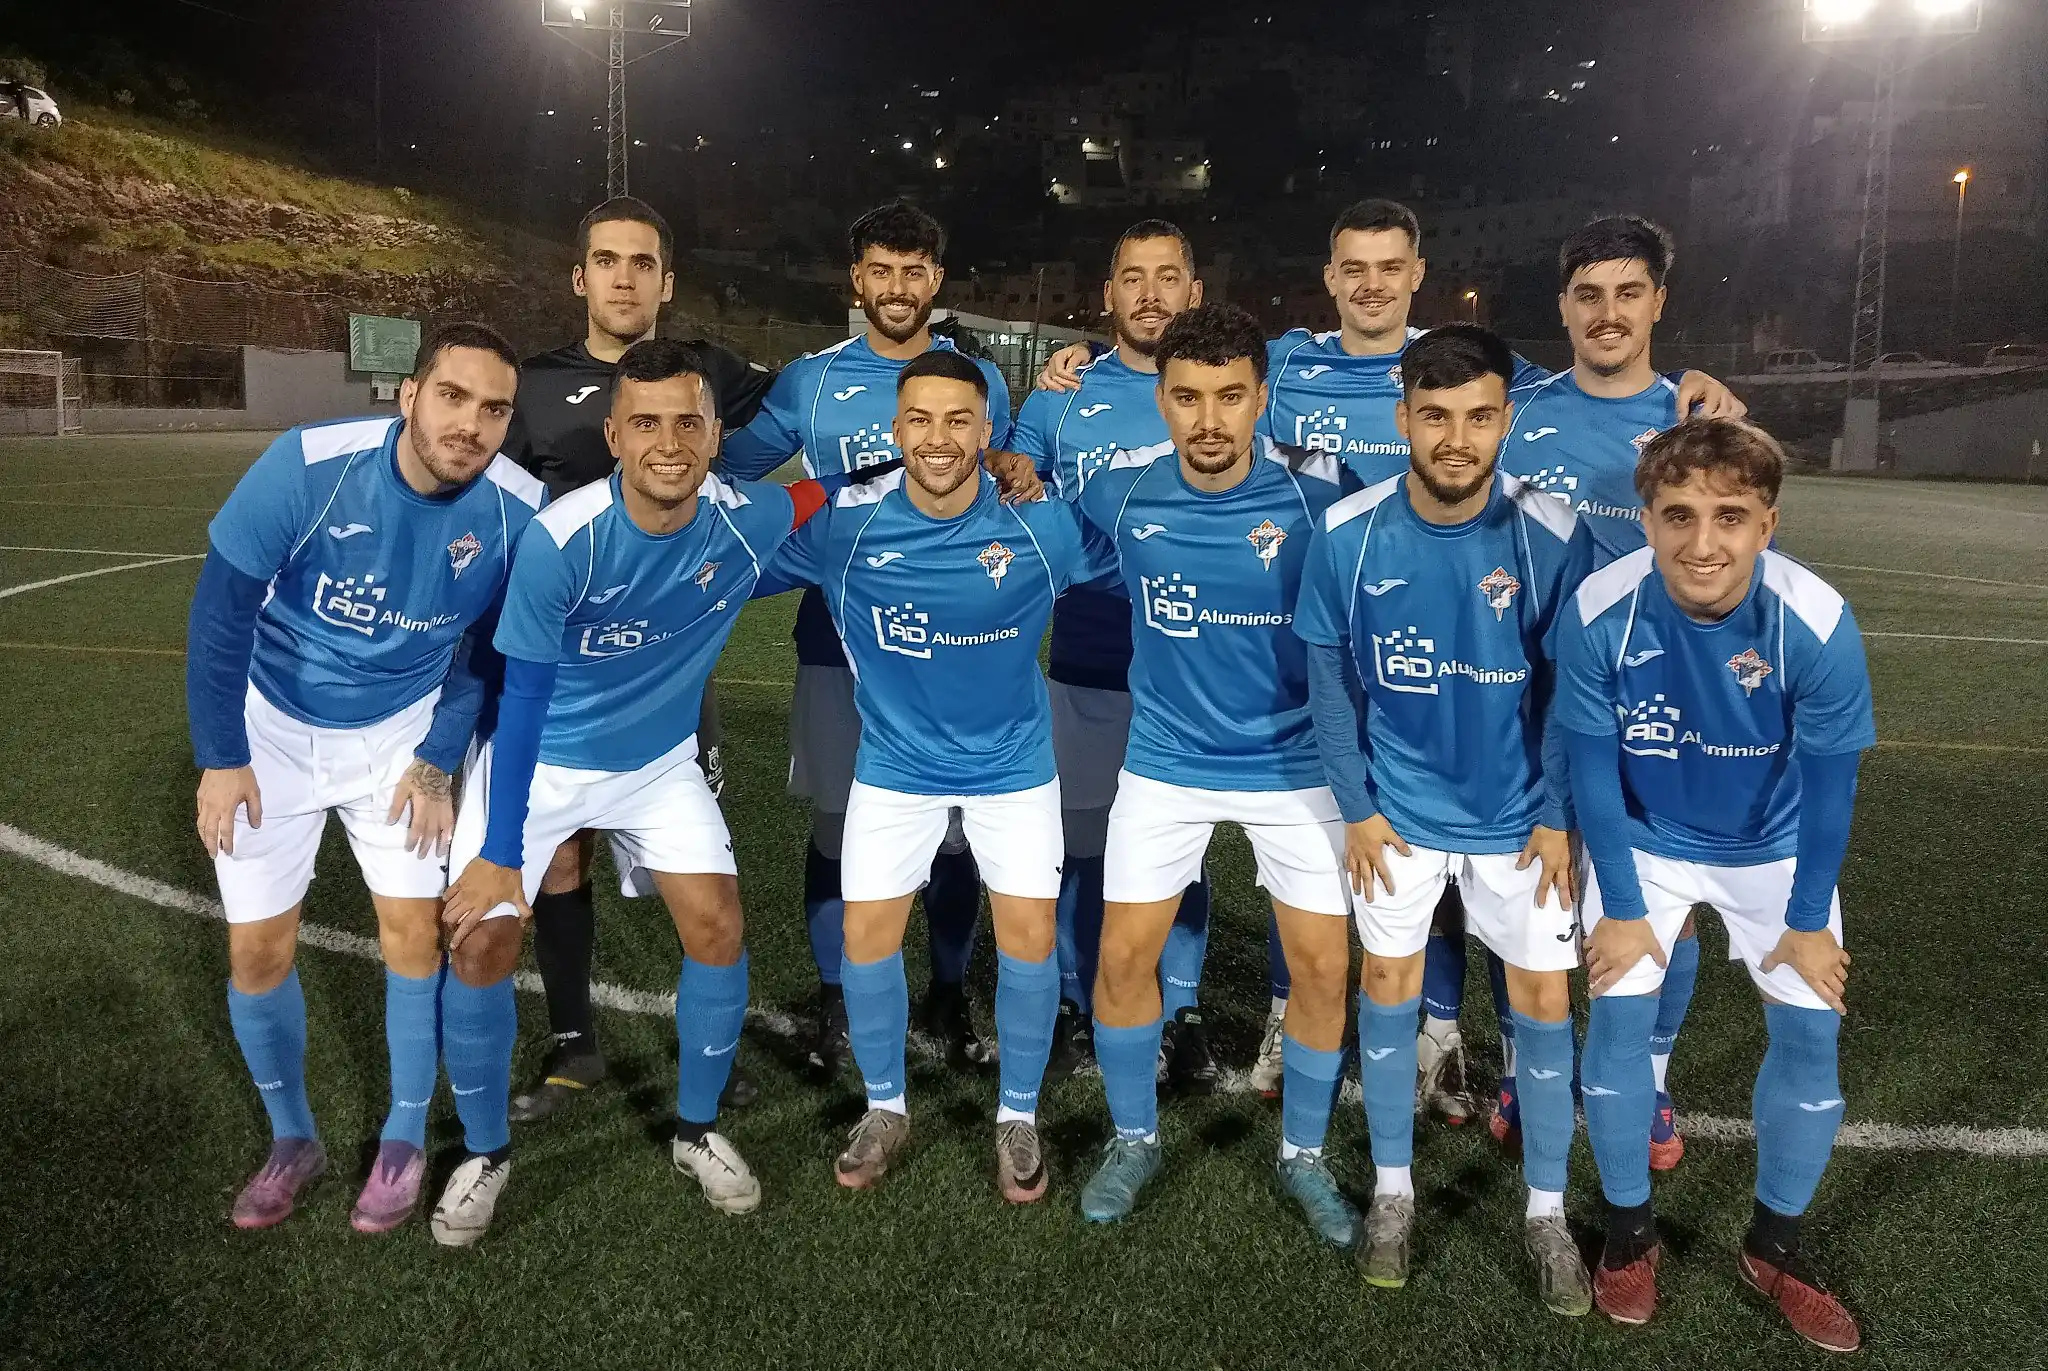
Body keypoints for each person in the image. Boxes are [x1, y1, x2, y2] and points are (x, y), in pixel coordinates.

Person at [1041, 199, 1750, 1105]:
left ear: (1418, 275)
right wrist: (1086, 360)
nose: (1371, 285)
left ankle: (1604, 1075)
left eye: (1389, 268)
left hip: (1604, 673)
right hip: (1392, 639)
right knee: (1424, 861)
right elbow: (1192, 367)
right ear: (1330, 279)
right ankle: (1404, 1031)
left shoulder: (1589, 397)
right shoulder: (1290, 364)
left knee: (1636, 890)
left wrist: (1700, 383)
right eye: (1354, 268)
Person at [437, 339, 838, 1241]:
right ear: (614, 436)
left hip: (657, 765)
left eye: (689, 422)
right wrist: (500, 852)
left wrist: (979, 465)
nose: (669, 442)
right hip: (540, 762)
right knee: (482, 943)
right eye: (646, 423)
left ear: (715, 436)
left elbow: (825, 493)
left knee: (719, 925)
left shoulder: (746, 515)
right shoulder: (561, 539)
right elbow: (522, 702)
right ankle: (484, 1152)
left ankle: (697, 1130)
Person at [185, 323, 544, 1238]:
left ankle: (403, 1138)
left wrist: (437, 757)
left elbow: (487, 652)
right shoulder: (307, 466)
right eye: (453, 397)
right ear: (409, 394)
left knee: (414, 936)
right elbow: (221, 615)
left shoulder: (517, 510)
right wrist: (222, 756)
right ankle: (292, 1137)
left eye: (494, 409)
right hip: (271, 731)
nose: (470, 424)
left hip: (398, 737)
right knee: (258, 951)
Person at [1294, 324, 1595, 1312]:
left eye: (1477, 417)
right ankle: (1393, 1191)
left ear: (1505, 420)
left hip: (1519, 823)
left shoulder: (1551, 532)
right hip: (1399, 817)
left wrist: (1555, 814)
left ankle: (1546, 1212)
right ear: (1403, 420)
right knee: (1385, 986)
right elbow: (1330, 678)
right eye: (1434, 416)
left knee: (1542, 1004)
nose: (1456, 439)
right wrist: (1356, 809)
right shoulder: (1350, 530)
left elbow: (1571, 689)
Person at [760, 350, 1105, 1200]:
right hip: (895, 767)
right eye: (920, 420)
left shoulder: (1042, 524)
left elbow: (1152, 555)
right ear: (895, 429)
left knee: (1028, 940)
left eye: (958, 420)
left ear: (988, 431)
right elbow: (726, 555)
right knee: (866, 939)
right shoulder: (845, 527)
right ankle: (886, 1106)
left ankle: (1017, 1115)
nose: (938, 437)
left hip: (1013, 768)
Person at [1556, 418, 1871, 1352]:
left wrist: (1807, 921)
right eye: (1679, 515)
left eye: (1730, 516)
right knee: (1615, 1020)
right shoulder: (1599, 609)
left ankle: (1774, 1245)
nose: (1703, 542)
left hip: (1774, 848)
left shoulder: (1816, 621)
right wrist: (1621, 907)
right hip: (1647, 840)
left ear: (1767, 524)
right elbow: (1592, 771)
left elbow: (1832, 790)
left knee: (1811, 1035)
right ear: (1647, 519)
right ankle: (1629, 1232)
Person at [1068, 303, 1359, 1249]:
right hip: (1167, 762)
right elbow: (1031, 509)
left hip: (1294, 766)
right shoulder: (1118, 490)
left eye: (1230, 396)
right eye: (1187, 397)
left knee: (1323, 967)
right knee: (1122, 958)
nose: (1208, 419)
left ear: (1260, 398)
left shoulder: (1323, 492)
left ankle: (1304, 1154)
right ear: (1160, 398)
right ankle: (1133, 1136)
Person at [720, 202, 1020, 1077]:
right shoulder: (810, 381)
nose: (897, 287)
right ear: (857, 280)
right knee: (838, 824)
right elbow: (730, 467)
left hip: (959, 641)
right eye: (881, 270)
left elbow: (1002, 477)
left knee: (955, 832)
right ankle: (837, 1000)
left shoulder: (981, 379)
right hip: (839, 640)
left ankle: (949, 993)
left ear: (937, 279)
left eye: (914, 270)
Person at [501, 196, 777, 1123]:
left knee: (691, 866)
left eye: (643, 263)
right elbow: (493, 506)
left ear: (667, 280)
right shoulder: (533, 384)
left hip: (667, 664)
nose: (625, 279)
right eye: (608, 261)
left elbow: (809, 405)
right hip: (558, 669)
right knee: (559, 859)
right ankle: (573, 1041)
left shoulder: (711, 372)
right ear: (579, 276)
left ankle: (709, 1048)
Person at [1495, 214, 1699, 1166]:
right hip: (1523, 693)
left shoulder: (1694, 422)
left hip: (1653, 695)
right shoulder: (1516, 411)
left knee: (1663, 895)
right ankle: (1517, 1061)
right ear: (1564, 306)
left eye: (1627, 293)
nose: (1607, 312)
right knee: (1519, 886)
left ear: (1658, 302)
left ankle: (1650, 1077)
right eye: (1588, 294)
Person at [1006, 218, 1219, 1094]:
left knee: (1184, 849)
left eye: (1169, 277)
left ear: (1194, 292)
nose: (1151, 294)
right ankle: (1072, 999)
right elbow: (1013, 476)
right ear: (1107, 294)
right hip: (1089, 647)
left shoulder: (1228, 387)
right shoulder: (1061, 396)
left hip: (1195, 655)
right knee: (1081, 844)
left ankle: (1183, 1011)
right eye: (1134, 277)